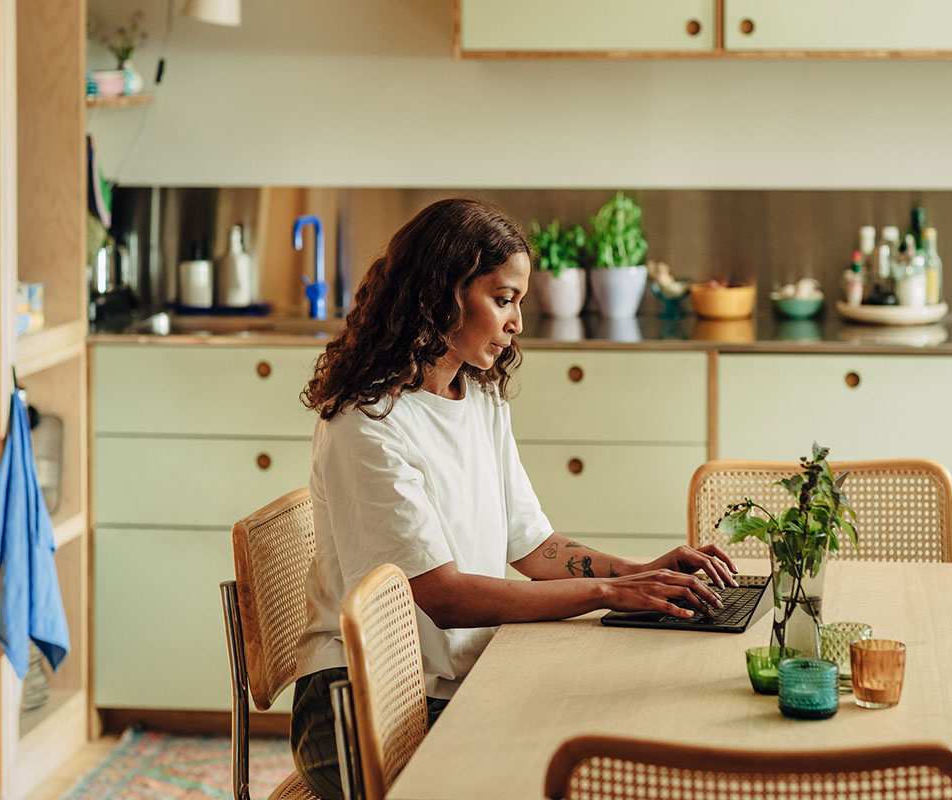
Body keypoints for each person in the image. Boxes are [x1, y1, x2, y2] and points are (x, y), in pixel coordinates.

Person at [290, 198, 737, 799]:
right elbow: (441, 596)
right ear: (439, 292)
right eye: (504, 299)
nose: (517, 323)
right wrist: (610, 593)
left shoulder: (477, 397)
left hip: (450, 683)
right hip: (356, 706)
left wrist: (641, 572)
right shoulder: (367, 422)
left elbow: (534, 546)